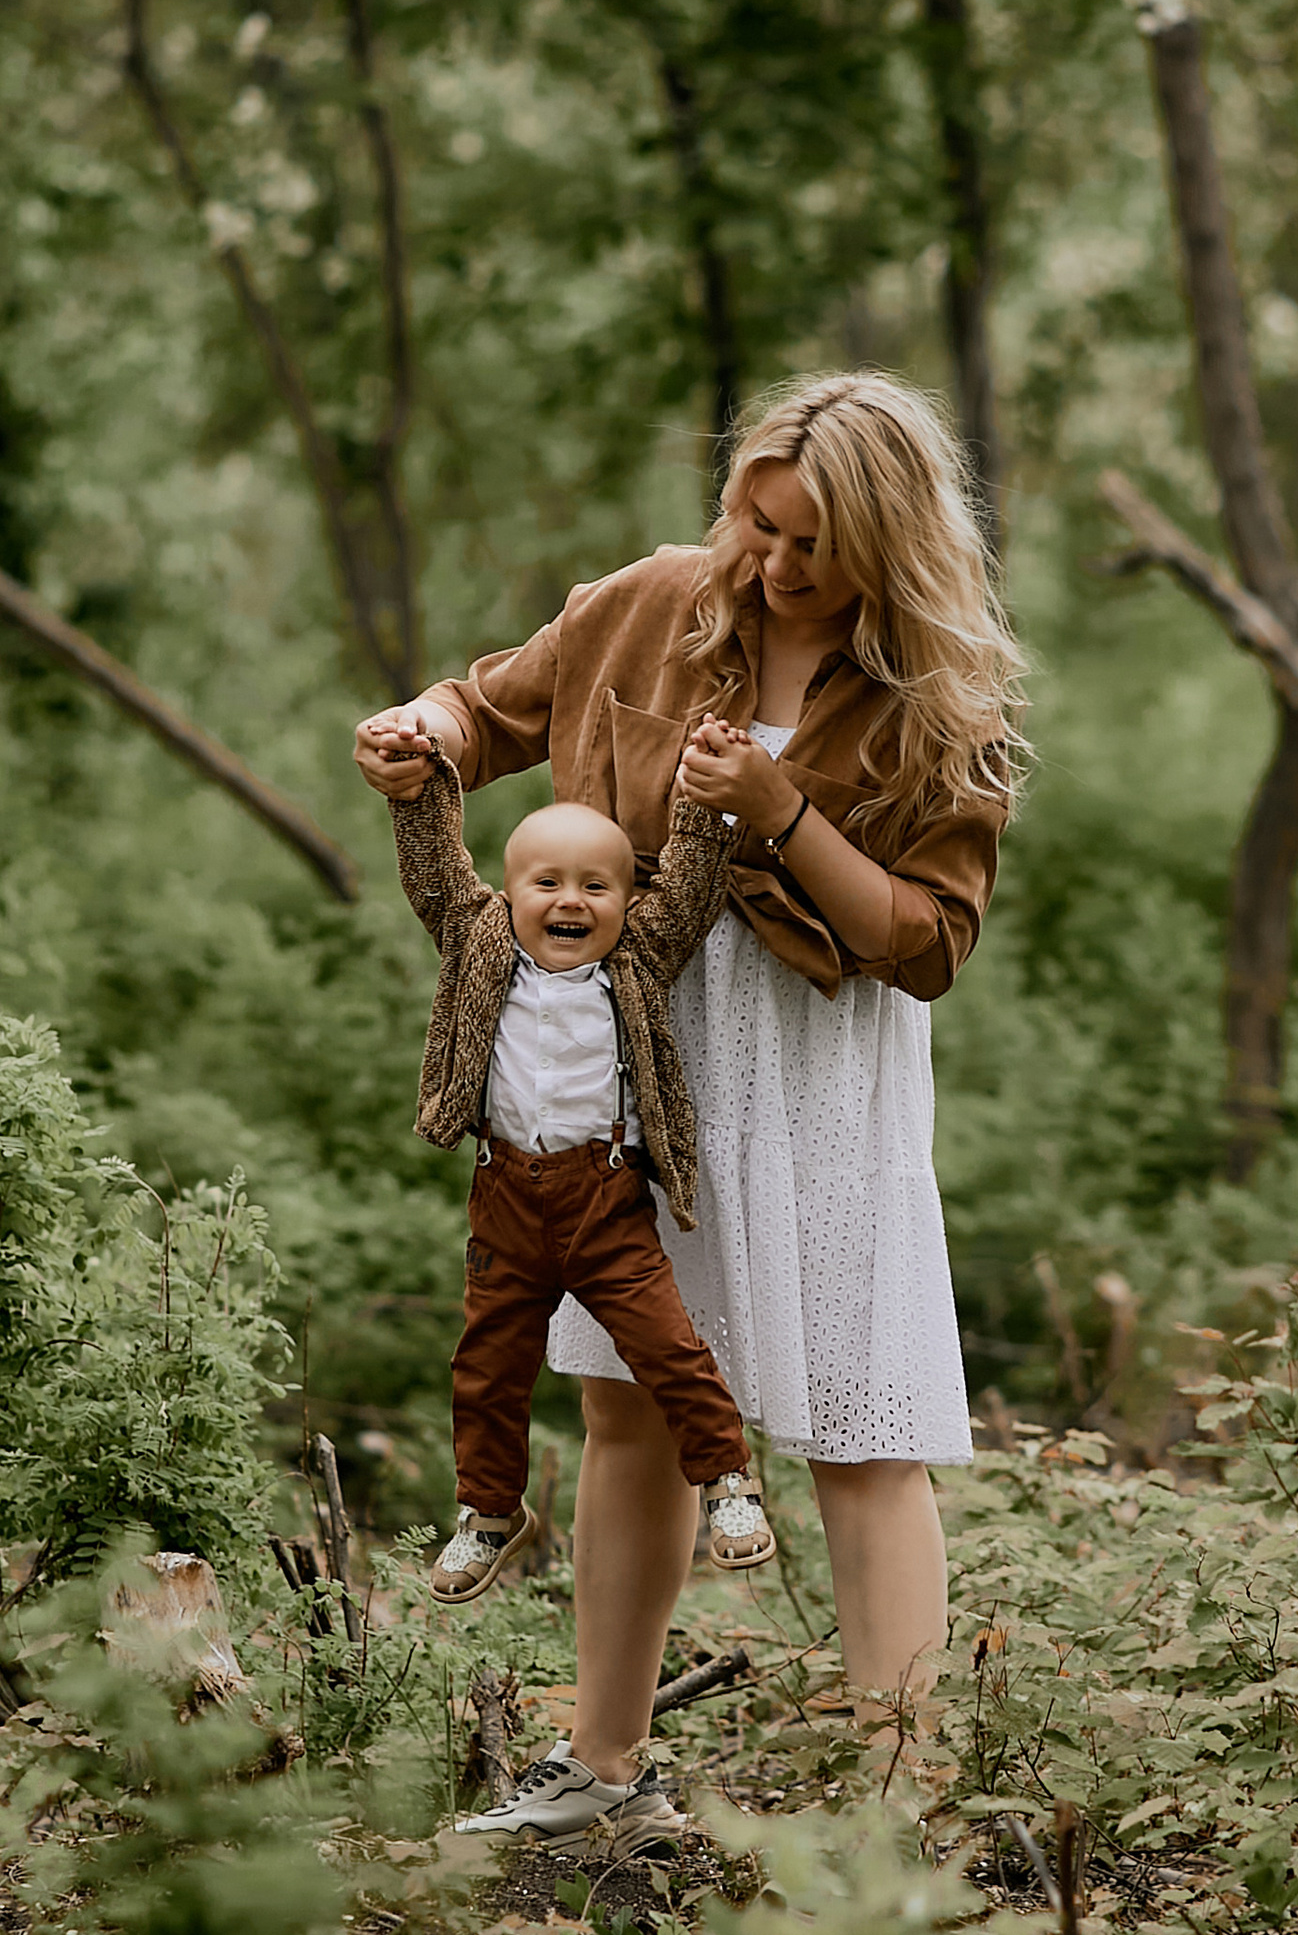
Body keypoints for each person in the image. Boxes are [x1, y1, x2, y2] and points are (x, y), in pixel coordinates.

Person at [355, 370, 1021, 1842]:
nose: (769, 566)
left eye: (810, 546)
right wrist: (422, 732)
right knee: (628, 1405)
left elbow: (925, 945)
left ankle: (900, 1820)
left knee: (862, 1425)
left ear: (891, 547)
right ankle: (603, 1773)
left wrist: (783, 816)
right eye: (756, 523)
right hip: (638, 1057)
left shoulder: (933, 697)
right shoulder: (657, 602)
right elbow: (489, 707)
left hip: (819, 1067)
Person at [385, 753, 774, 1603]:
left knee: (668, 1347)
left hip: (604, 1198)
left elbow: (694, 888)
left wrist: (704, 805)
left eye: (598, 886)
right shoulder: (481, 942)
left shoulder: (636, 959)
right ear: (509, 893)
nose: (571, 901)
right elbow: (436, 875)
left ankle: (729, 1482)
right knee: (486, 1367)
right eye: (548, 883)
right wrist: (415, 790)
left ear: (630, 900)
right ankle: (488, 1510)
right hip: (506, 1196)